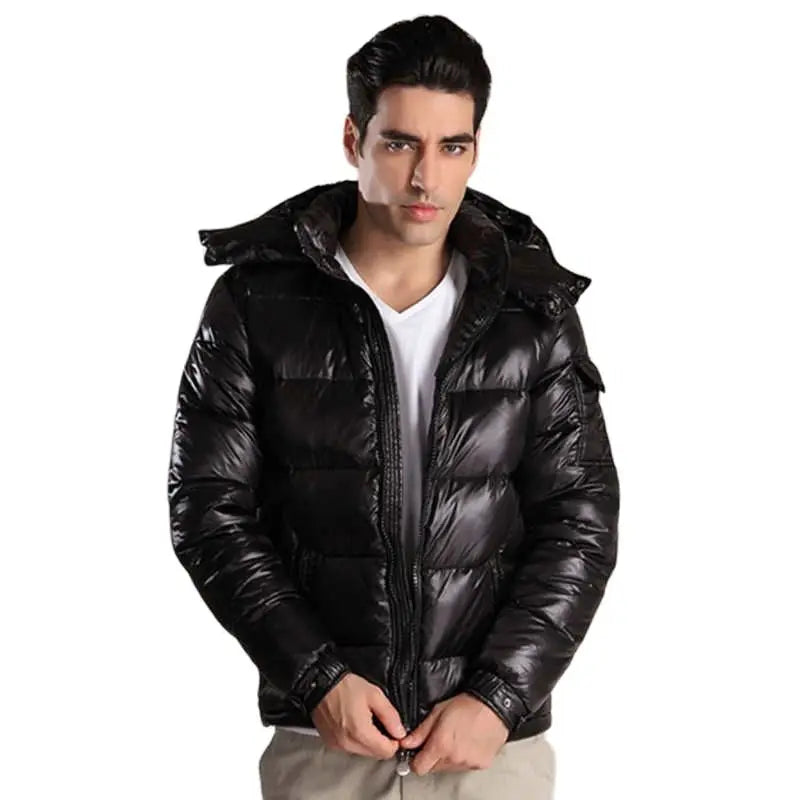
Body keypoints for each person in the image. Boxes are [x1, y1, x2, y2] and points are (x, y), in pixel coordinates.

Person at [167, 13, 620, 800]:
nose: (426, 179)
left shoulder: (531, 310)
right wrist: (317, 676)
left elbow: (580, 518)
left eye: (453, 147)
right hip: (324, 743)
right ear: (354, 139)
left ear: (476, 148)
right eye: (401, 143)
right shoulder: (256, 303)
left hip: (489, 753)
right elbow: (209, 510)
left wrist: (497, 697)